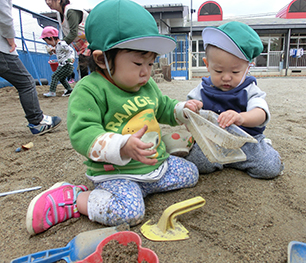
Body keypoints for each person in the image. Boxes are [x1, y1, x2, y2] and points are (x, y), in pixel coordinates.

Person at [26, 0, 202, 235]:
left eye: (150, 63)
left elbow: (162, 107)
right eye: (138, 63)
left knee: (191, 173)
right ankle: (73, 198)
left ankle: (150, 177)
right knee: (129, 213)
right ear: (102, 60)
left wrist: (182, 109)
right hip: (117, 173)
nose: (146, 72)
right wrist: (122, 145)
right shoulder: (90, 89)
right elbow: (83, 133)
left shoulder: (146, 85)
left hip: (154, 167)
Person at [185, 21, 284, 179]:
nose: (226, 77)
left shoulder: (249, 89)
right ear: (207, 65)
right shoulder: (202, 89)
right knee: (197, 164)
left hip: (246, 142)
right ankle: (220, 161)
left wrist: (241, 117)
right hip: (213, 142)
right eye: (218, 70)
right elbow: (187, 114)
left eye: (235, 71)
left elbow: (261, 113)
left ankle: (267, 148)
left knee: (269, 168)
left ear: (248, 67)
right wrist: (190, 110)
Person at [0, 0, 61, 135]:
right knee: (26, 82)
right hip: (2, 49)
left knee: (58, 76)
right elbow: (3, 13)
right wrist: (10, 37)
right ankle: (37, 121)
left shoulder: (61, 44)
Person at [45, 0, 90, 79]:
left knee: (88, 67)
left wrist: (58, 47)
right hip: (81, 45)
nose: (48, 2)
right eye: (45, 0)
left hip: (91, 42)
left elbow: (73, 33)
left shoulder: (71, 11)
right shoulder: (59, 14)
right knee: (83, 68)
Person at [41, 26, 74, 97]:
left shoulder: (61, 44)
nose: (49, 44)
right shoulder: (57, 46)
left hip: (66, 65)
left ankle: (52, 92)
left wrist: (71, 58)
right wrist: (53, 50)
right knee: (61, 78)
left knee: (54, 76)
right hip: (62, 65)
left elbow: (71, 50)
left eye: (48, 41)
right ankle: (69, 90)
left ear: (51, 38)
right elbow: (61, 53)